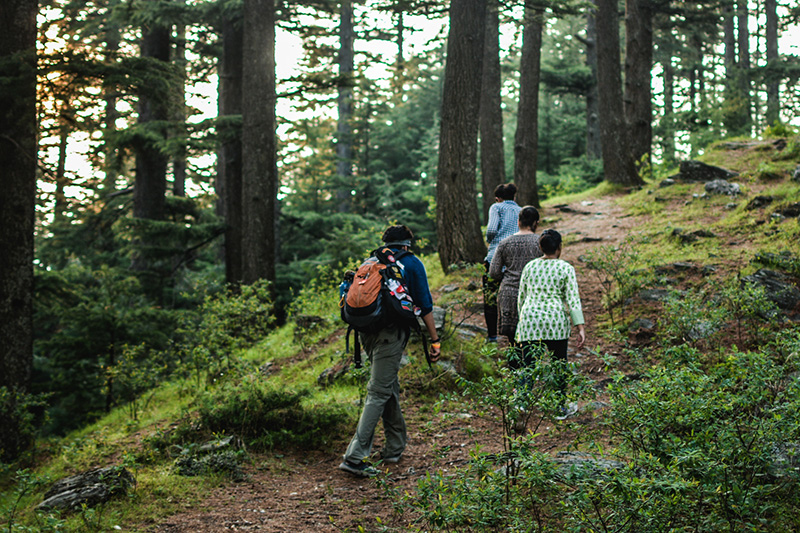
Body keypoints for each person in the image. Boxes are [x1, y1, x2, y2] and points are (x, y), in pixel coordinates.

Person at [339, 225, 441, 478]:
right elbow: (425, 305)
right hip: (390, 335)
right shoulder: (411, 264)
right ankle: (354, 456)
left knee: (387, 385)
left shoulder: (369, 262)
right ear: (407, 244)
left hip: (366, 333)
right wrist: (435, 340)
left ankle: (395, 446)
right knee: (378, 391)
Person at [515, 229, 586, 419]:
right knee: (558, 365)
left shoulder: (529, 267)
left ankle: (521, 404)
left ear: (540, 247)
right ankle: (559, 407)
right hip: (555, 321)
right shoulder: (565, 268)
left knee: (528, 365)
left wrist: (521, 321)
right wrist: (580, 327)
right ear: (560, 247)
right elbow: (572, 299)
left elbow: (521, 297)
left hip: (530, 320)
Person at [488, 206, 542, 346]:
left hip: (509, 293)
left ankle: (515, 367)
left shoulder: (504, 243)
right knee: (532, 339)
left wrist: (506, 277)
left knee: (513, 341)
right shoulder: (540, 243)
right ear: (536, 223)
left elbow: (493, 272)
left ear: (518, 222)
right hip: (533, 293)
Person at [483, 183, 521, 343]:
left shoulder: (496, 207)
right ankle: (516, 335)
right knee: (515, 298)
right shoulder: (522, 210)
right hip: (516, 260)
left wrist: (490, 240)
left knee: (490, 297)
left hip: (495, 258)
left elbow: (491, 230)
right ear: (514, 197)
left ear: (498, 198)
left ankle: (492, 336)